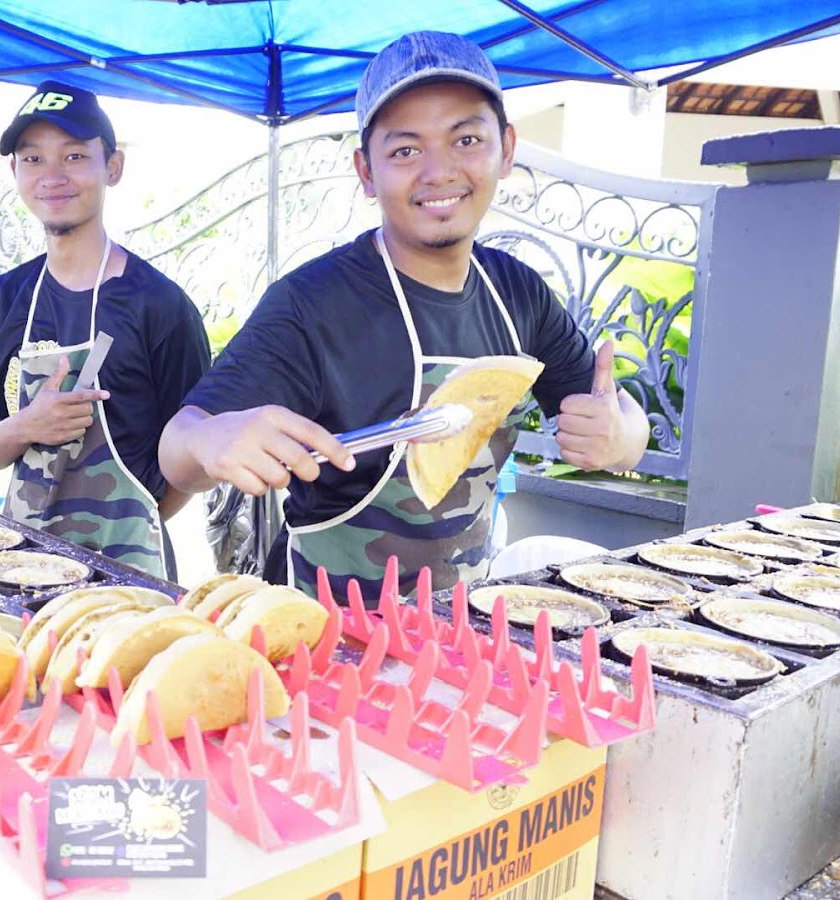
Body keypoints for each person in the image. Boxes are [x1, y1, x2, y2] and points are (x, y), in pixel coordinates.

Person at [159, 32, 651, 600]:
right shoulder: (313, 304)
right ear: (366, 172)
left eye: (466, 139)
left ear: (506, 149)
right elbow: (178, 449)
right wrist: (210, 438)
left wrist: (619, 436)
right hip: (324, 629)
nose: (439, 171)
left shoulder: (519, 293)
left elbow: (615, 418)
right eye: (406, 150)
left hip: (455, 621)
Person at [0, 81, 211, 580]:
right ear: (15, 172)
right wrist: (28, 426)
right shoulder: (1, 298)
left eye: (74, 156)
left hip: (129, 571)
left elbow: (195, 463)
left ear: (112, 167)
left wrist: (133, 521)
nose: (53, 176)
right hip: (21, 563)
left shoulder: (161, 305)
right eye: (33, 160)